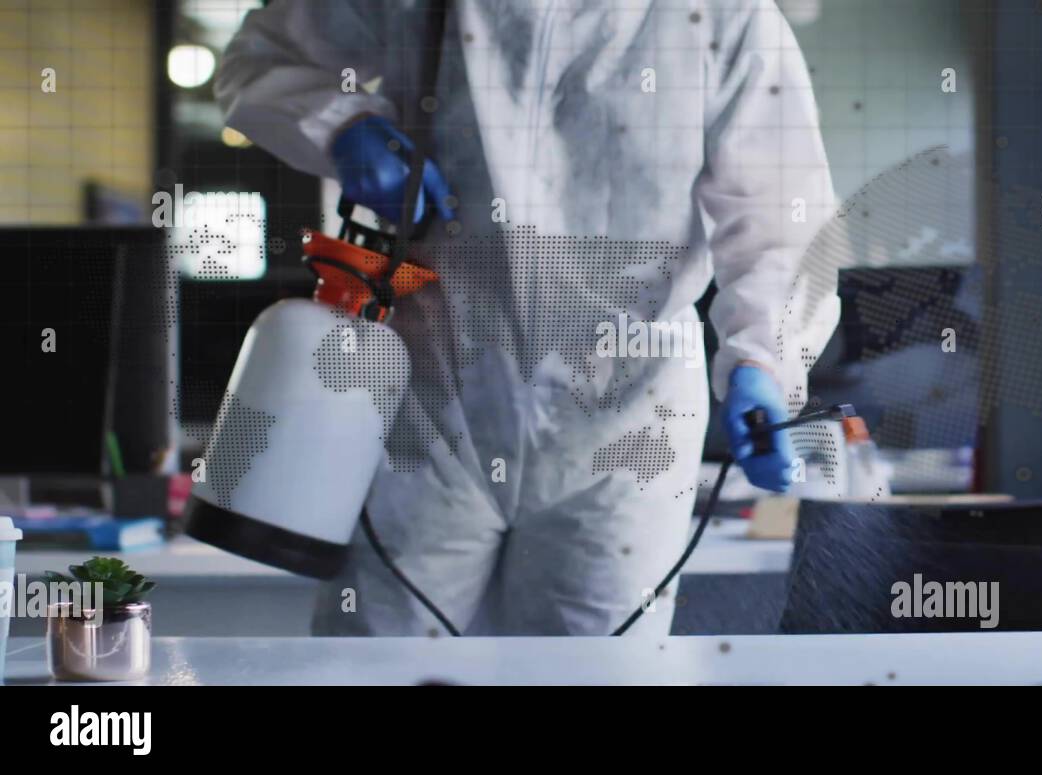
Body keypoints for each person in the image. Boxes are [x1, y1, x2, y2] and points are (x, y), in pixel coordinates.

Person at [216, 0, 838, 636]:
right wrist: (342, 125)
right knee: (377, 661)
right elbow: (257, 60)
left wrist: (764, 356)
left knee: (598, 679)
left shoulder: (725, 14)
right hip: (428, 399)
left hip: (628, 418)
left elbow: (782, 215)